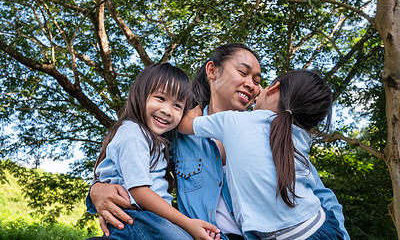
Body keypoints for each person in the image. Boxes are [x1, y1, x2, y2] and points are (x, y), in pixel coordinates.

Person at [87, 43, 350, 240]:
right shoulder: (176, 130)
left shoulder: (273, 133)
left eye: (258, 82)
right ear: (212, 70)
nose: (252, 85)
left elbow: (322, 197)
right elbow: (133, 163)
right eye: (244, 73)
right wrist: (96, 190)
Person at [178, 70, 344, 239]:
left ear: (273, 89)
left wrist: (200, 103)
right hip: (321, 225)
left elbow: (184, 124)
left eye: (259, 83)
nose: (256, 89)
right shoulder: (297, 137)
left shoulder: (234, 122)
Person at [92, 63, 220, 240]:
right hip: (139, 218)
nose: (167, 111)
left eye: (177, 106)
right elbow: (140, 192)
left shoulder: (157, 140)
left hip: (150, 219)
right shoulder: (133, 133)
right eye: (160, 98)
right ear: (140, 95)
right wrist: (187, 223)